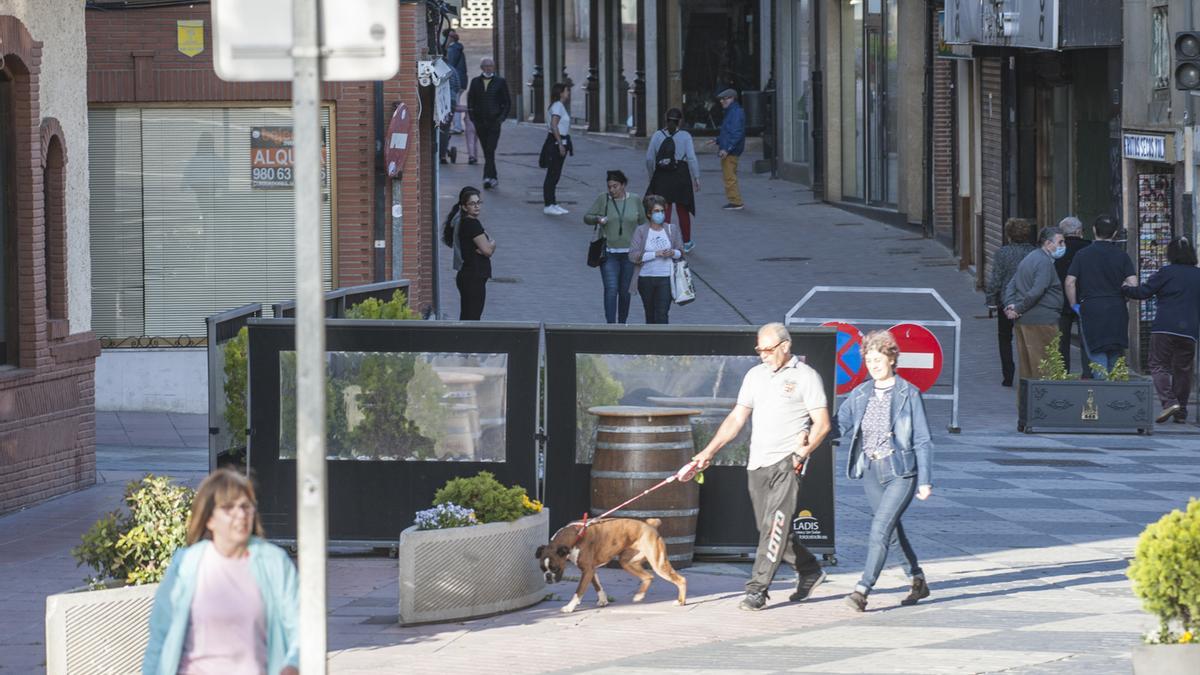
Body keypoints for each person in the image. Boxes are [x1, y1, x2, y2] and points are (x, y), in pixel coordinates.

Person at [692, 323, 831, 611]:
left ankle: (757, 590)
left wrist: (802, 452)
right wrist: (708, 452)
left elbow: (823, 423)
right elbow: (736, 419)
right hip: (758, 462)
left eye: (768, 349)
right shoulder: (755, 375)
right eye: (759, 350)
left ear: (785, 346)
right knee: (767, 528)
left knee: (773, 528)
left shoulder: (806, 377)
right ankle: (809, 570)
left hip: (787, 462)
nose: (763, 355)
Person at [143, 469, 299, 675]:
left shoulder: (274, 563)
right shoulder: (187, 564)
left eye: (246, 506)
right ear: (209, 519)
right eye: (228, 508)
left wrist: (293, 664)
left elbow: (300, 627)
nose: (241, 514)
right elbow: (159, 636)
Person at [836, 330, 934, 612]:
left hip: (900, 471)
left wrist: (925, 480)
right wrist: (811, 429)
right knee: (889, 532)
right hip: (870, 470)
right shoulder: (860, 393)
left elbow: (923, 438)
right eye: (868, 359)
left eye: (878, 359)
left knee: (879, 527)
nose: (873, 365)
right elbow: (838, 423)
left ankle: (862, 590)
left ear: (892, 358)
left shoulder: (908, 393)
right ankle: (917, 580)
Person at [1123, 237, 1200, 423]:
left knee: (1158, 365)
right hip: (1189, 330)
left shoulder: (1166, 272)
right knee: (1183, 370)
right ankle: (1181, 413)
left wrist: (1125, 289)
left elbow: (1144, 292)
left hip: (1164, 327)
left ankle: (1169, 402)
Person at [1065, 215, 1137, 379]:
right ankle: (1113, 394)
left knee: (1096, 355)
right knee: (1115, 353)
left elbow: (1070, 282)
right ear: (1115, 233)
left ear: (1094, 230)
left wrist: (1074, 304)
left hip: (1091, 308)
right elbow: (1133, 284)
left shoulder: (1083, 254)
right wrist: (1124, 297)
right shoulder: (1122, 255)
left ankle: (1101, 392)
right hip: (1116, 308)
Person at [583, 170, 647, 324]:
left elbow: (643, 222)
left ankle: (622, 323)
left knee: (625, 292)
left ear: (623, 185)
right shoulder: (603, 199)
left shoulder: (635, 200)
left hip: (629, 255)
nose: (612, 190)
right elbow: (587, 217)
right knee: (611, 290)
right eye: (609, 187)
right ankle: (610, 325)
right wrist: (597, 219)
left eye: (615, 186)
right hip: (609, 253)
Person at [1003, 226, 1065, 383]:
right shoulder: (1044, 262)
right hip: (1042, 321)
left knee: (1027, 370)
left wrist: (1011, 305)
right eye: (1060, 242)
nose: (1063, 246)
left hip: (1025, 321)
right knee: (1045, 369)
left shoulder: (1029, 258)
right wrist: (1016, 308)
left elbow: (1011, 284)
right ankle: (1042, 405)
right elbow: (1038, 291)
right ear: (1047, 243)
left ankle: (1026, 405)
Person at [985, 218, 1036, 386]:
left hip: (1006, 301)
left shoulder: (1003, 253)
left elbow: (996, 279)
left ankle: (1008, 375)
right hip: (1029, 301)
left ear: (1009, 235)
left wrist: (991, 299)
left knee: (1005, 337)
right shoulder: (1035, 253)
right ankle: (1028, 372)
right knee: (1028, 337)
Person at [645, 108, 700, 252]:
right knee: (683, 210)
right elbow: (692, 158)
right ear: (680, 121)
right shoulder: (685, 136)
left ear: (665, 120)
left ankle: (665, 241)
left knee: (664, 211)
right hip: (681, 175)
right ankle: (686, 242)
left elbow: (649, 158)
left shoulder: (657, 135)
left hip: (662, 175)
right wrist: (696, 177)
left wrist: (652, 176)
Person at [628, 194, 685, 324]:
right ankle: (651, 342)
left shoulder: (671, 229)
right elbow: (633, 255)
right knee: (650, 314)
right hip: (645, 278)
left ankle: (663, 343)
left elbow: (681, 252)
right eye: (656, 211)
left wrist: (672, 252)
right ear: (649, 214)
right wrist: (656, 254)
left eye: (662, 211)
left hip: (666, 277)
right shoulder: (641, 230)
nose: (660, 214)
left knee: (662, 313)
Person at [441, 186, 495, 320]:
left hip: (469, 276)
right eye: (472, 203)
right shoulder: (472, 224)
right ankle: (467, 341)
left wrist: (486, 247)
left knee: (468, 317)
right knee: (472, 318)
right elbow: (487, 251)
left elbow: (483, 250)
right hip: (473, 277)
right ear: (464, 207)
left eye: (478, 202)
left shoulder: (462, 222)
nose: (477, 206)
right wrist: (493, 244)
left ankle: (464, 340)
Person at [1054, 217, 1091, 378]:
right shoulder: (1089, 247)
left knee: (1062, 340)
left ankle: (1062, 373)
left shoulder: (1056, 250)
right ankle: (1088, 373)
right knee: (1087, 340)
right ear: (1079, 231)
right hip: (1085, 300)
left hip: (1060, 301)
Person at [466, 57, 510, 189]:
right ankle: (493, 177)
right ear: (482, 68)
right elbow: (471, 101)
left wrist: (501, 119)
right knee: (487, 151)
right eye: (486, 66)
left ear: (494, 67)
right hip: (480, 122)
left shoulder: (500, 82)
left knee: (490, 149)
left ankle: (487, 177)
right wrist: (473, 119)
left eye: (491, 65)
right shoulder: (475, 82)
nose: (489, 68)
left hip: (494, 122)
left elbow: (507, 102)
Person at [709, 88, 745, 211]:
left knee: (729, 177)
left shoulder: (735, 112)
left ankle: (736, 202)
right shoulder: (732, 111)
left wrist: (727, 149)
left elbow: (736, 133)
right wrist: (718, 140)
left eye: (724, 99)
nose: (722, 101)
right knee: (729, 176)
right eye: (721, 99)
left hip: (731, 151)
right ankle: (735, 200)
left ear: (732, 98)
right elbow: (728, 132)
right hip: (730, 149)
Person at [540, 82, 573, 215]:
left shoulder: (558, 106)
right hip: (556, 142)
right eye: (566, 91)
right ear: (561, 93)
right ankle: (548, 204)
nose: (568, 93)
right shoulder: (558, 106)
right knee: (552, 174)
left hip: (560, 140)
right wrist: (560, 143)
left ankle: (553, 203)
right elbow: (554, 125)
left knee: (556, 173)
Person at [439, 29, 467, 164]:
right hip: (450, 102)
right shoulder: (453, 70)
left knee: (440, 128)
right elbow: (456, 86)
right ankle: (443, 154)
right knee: (444, 128)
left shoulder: (439, 68)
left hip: (441, 103)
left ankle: (441, 154)